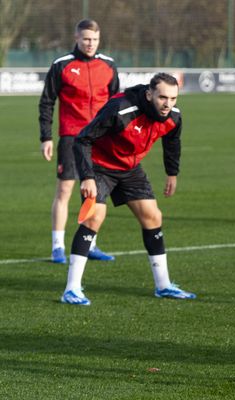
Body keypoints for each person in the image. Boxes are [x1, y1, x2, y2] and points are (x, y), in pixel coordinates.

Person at [59, 73, 196, 306]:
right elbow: (83, 139)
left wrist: (172, 173)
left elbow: (172, 143)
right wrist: (87, 177)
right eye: (163, 97)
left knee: (153, 216)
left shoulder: (173, 116)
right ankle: (71, 289)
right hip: (99, 165)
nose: (168, 104)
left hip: (129, 168)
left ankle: (163, 285)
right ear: (149, 93)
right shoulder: (120, 109)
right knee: (94, 217)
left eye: (173, 98)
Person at [39, 19, 118, 264]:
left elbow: (117, 103)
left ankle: (90, 243)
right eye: (86, 39)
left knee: (94, 192)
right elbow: (47, 102)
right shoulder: (62, 65)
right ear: (77, 37)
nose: (90, 43)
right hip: (72, 137)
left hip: (101, 139)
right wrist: (46, 137)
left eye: (94, 39)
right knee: (64, 190)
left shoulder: (108, 65)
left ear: (99, 39)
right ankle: (57, 246)